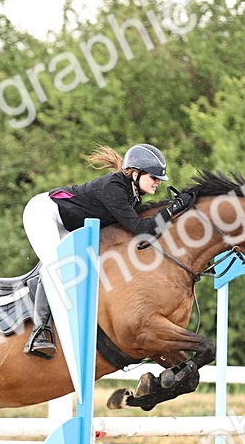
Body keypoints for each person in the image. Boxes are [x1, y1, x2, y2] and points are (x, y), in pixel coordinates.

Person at [20, 143, 194, 358]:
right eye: (154, 177)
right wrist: (174, 208)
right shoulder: (115, 188)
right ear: (136, 173)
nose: (158, 182)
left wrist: (174, 208)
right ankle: (39, 333)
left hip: (67, 224)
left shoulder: (132, 194)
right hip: (44, 214)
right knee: (56, 266)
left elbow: (141, 221)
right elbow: (142, 229)